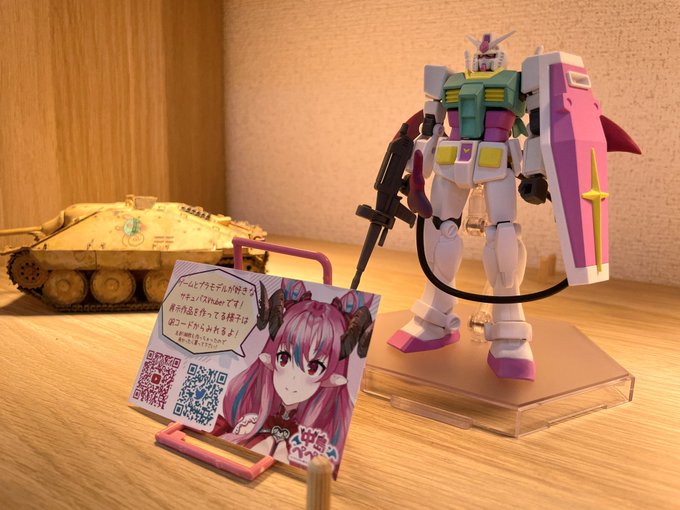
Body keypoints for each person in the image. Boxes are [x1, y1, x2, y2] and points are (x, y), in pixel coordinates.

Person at [212, 279, 373, 469]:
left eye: (313, 368)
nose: (293, 379)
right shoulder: (248, 416)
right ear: (270, 358)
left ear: (334, 378)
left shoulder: (320, 440)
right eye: (283, 358)